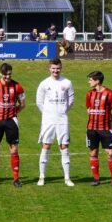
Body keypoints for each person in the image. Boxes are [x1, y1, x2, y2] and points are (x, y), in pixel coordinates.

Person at [34, 58, 74, 186]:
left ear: (61, 68)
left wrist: (62, 112)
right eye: (53, 68)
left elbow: (71, 101)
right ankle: (41, 177)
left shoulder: (67, 82)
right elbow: (39, 102)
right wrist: (48, 113)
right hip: (48, 119)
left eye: (57, 68)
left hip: (62, 119)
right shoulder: (44, 83)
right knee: (46, 145)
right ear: (49, 69)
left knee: (64, 146)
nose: (55, 70)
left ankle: (67, 178)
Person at [0, 63, 25, 187]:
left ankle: (16, 179)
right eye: (5, 74)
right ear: (0, 73)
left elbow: (22, 104)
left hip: (11, 121)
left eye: (9, 74)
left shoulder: (17, 86)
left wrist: (12, 113)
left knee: (14, 149)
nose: (7, 77)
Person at [84, 71, 112, 186]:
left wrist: (108, 121)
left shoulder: (110, 94)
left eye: (90, 79)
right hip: (91, 128)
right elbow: (88, 109)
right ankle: (96, 179)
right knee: (93, 153)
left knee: (110, 153)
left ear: (97, 81)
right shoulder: (89, 94)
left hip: (105, 129)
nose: (89, 82)